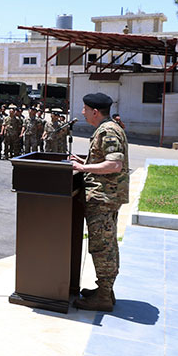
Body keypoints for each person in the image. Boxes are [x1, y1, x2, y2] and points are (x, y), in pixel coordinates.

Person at [70, 93, 129, 312]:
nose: (82, 112)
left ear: (95, 112)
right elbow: (104, 159)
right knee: (107, 243)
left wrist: (83, 168)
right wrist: (85, 161)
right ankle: (105, 290)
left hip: (104, 197)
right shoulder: (108, 128)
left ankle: (103, 297)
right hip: (106, 196)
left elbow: (114, 165)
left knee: (102, 246)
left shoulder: (108, 131)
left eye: (85, 109)